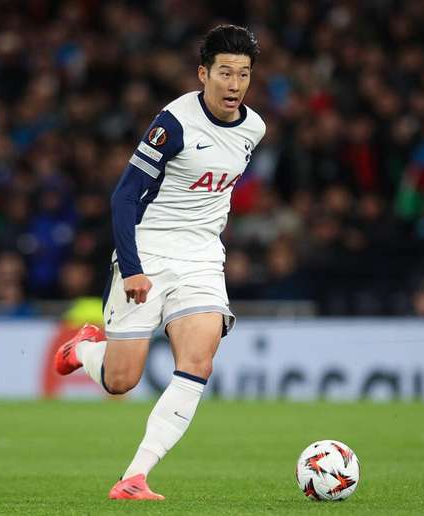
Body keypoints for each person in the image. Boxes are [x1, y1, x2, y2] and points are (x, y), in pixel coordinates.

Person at [54, 25, 265, 500]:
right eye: (225, 73)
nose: (234, 85)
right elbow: (124, 198)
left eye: (244, 74)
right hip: (148, 250)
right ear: (203, 73)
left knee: (199, 361)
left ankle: (135, 477)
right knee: (121, 380)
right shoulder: (172, 124)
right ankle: (85, 349)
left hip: (204, 257)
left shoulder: (255, 129)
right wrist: (131, 268)